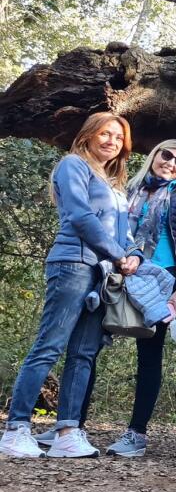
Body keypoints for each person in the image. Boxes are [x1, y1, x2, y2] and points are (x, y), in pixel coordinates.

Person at [0, 113, 141, 459]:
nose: (111, 141)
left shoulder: (113, 184)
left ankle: (67, 430)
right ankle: (16, 428)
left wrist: (133, 254)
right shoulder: (72, 165)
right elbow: (80, 217)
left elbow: (124, 232)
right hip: (73, 264)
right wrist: (118, 254)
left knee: (83, 353)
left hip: (105, 275)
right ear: (88, 136)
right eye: (105, 133)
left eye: (118, 137)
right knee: (50, 345)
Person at [104, 140, 176, 458]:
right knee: (91, 344)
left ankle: (136, 434)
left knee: (149, 356)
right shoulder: (126, 189)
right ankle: (71, 425)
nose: (171, 164)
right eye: (167, 156)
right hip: (120, 273)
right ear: (155, 154)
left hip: (160, 281)